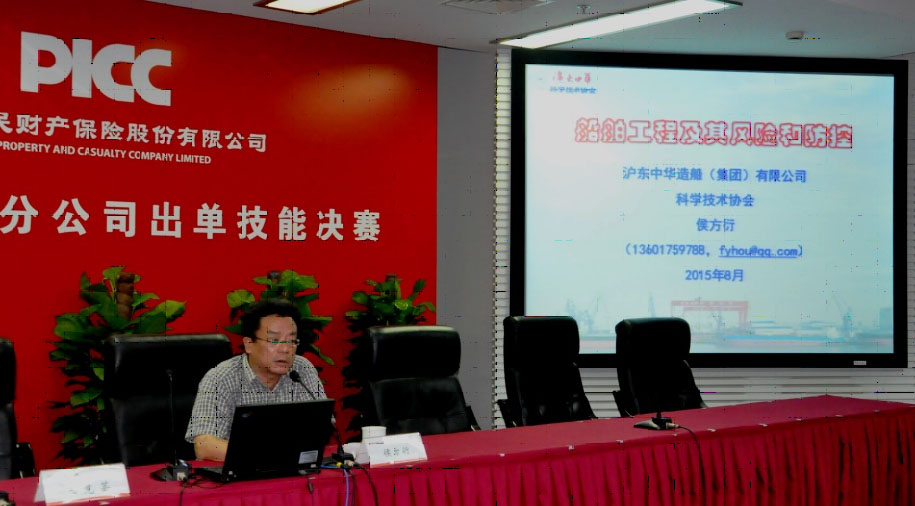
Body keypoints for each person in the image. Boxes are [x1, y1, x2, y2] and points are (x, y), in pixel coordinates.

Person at [185, 298, 326, 461]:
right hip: (240, 472)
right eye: (273, 340)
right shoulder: (221, 378)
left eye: (292, 341)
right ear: (249, 344)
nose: (286, 349)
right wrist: (269, 455)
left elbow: (322, 427)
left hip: (293, 469)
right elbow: (205, 446)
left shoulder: (301, 369)